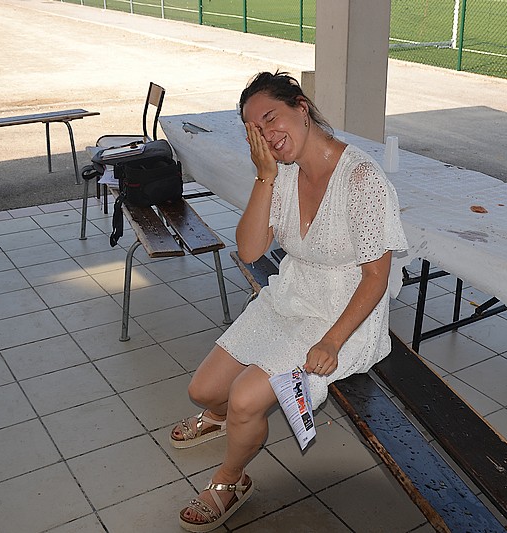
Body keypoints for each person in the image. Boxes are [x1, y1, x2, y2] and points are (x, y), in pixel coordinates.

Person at [171, 71, 408, 532]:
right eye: (254, 130)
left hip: (342, 317)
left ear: (301, 107)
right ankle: (219, 417)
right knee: (204, 391)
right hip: (291, 295)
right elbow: (249, 250)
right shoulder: (282, 174)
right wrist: (265, 176)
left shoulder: (362, 179)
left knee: (245, 399)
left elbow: (376, 277)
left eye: (270, 118)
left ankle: (230, 480)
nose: (267, 135)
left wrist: (333, 341)